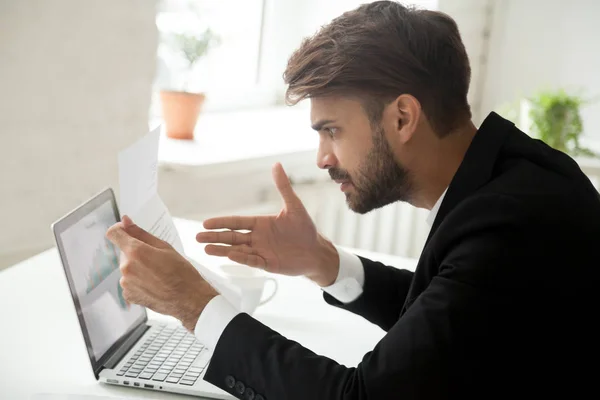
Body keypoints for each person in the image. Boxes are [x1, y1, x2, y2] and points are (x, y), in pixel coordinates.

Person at [107, 1, 600, 398]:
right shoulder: (511, 174)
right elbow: (449, 313)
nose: (323, 158)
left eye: (332, 131)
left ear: (402, 118)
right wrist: (323, 263)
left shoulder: (510, 224)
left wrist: (193, 304)